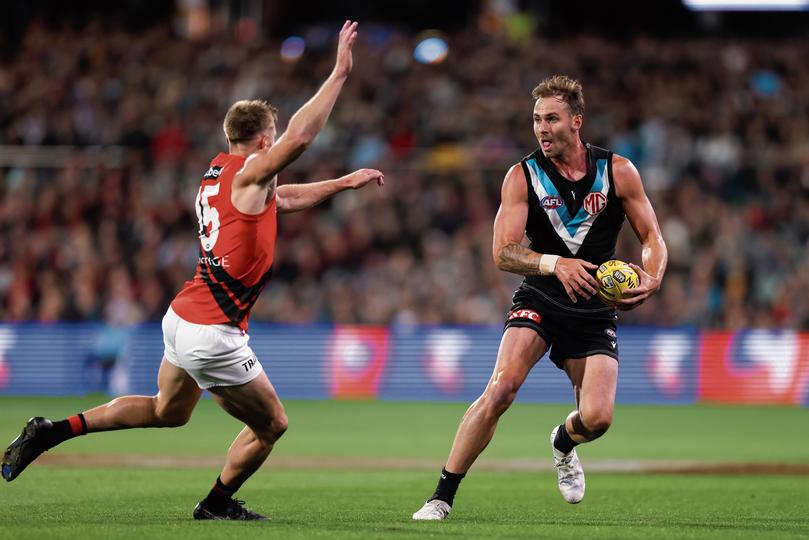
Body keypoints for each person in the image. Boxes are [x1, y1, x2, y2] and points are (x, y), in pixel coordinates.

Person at [2, 20, 384, 521]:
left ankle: (53, 430)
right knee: (273, 425)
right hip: (213, 331)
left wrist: (342, 183)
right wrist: (337, 74)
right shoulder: (251, 173)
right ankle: (216, 504)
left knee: (168, 410)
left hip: (182, 316)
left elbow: (281, 196)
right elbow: (303, 136)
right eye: (273, 142)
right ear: (264, 141)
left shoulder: (218, 172)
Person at [413, 75, 667, 520]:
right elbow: (502, 252)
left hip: (593, 308)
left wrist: (654, 276)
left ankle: (563, 442)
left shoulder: (618, 171)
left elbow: (652, 236)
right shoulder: (522, 176)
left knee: (598, 419)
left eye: (552, 118)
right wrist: (555, 264)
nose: (542, 128)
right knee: (501, 389)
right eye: (536, 119)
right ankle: (441, 496)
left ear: (577, 121)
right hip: (541, 298)